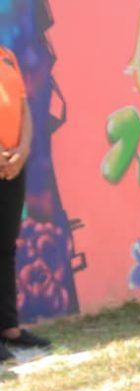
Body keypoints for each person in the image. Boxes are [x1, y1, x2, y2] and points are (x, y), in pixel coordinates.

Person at [0, 43, 50, 362]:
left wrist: (24, 148)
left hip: (13, 164)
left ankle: (9, 329)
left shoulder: (7, 56)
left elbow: (23, 106)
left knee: (5, 246)